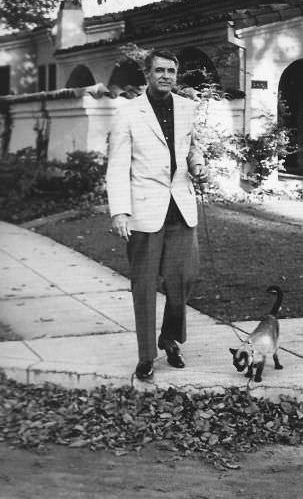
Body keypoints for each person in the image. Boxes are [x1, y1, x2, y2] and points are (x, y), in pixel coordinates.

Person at [107, 48, 206, 381]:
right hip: (144, 210)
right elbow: (117, 166)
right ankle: (147, 355)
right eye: (160, 70)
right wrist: (120, 211)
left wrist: (198, 165)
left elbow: (193, 147)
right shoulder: (128, 113)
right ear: (147, 74)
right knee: (145, 285)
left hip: (181, 207)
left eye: (172, 71)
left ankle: (169, 339)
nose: (166, 76)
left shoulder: (188, 108)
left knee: (184, 279)